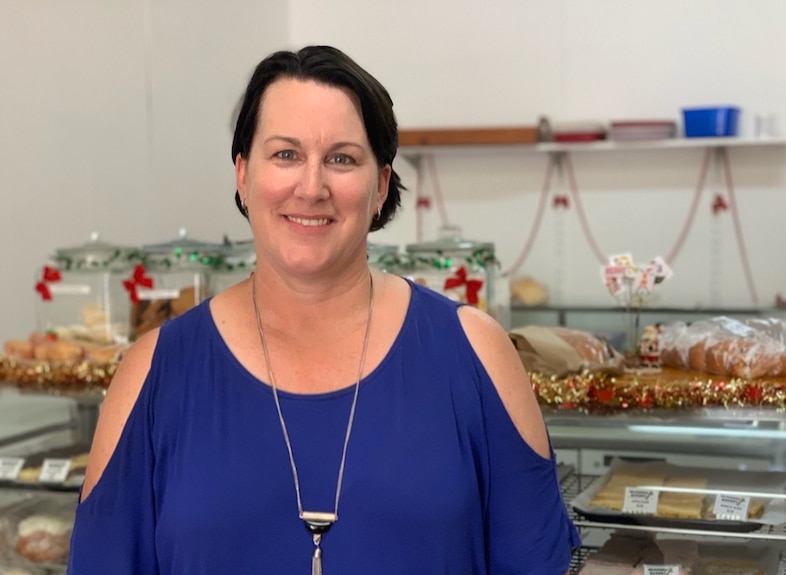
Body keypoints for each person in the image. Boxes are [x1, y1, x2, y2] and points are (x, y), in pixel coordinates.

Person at [68, 45, 579, 574]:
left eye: (341, 158)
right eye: (285, 154)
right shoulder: (153, 372)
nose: (311, 188)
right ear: (242, 175)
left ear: (380, 185)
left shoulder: (476, 353)